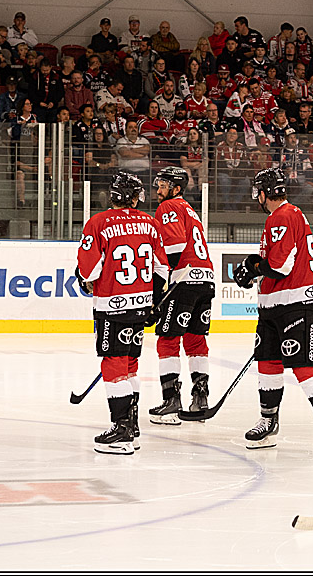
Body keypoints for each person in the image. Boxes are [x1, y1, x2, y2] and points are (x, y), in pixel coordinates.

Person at [232, 167, 313, 456]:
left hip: (295, 304)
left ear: (264, 193)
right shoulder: (285, 216)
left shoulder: (281, 216)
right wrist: (254, 269)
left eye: (258, 191)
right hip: (274, 303)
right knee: (268, 362)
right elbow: (276, 263)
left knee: (303, 363)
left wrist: (253, 267)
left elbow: (280, 267)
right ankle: (268, 421)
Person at [75, 171, 169, 454]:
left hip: (112, 305)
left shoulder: (98, 223)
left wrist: (84, 277)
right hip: (141, 304)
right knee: (129, 364)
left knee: (113, 365)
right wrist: (153, 301)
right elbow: (162, 269)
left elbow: (88, 271)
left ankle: (122, 431)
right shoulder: (150, 223)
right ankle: (132, 424)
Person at [145, 166, 215, 424]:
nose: (158, 189)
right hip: (205, 279)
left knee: (167, 340)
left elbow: (174, 249)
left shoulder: (168, 208)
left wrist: (160, 289)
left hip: (184, 281)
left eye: (163, 185)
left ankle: (171, 402)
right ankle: (200, 400)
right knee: (196, 342)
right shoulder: (189, 210)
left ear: (176, 188)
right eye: (158, 184)